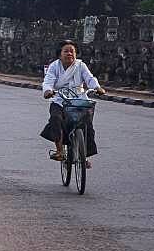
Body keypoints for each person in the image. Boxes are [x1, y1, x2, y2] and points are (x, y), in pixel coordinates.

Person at [41, 39, 106, 167]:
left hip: (79, 99)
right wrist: (48, 91)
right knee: (56, 118)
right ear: (60, 54)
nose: (69, 54)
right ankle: (60, 151)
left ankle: (84, 156)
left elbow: (89, 78)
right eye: (66, 51)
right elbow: (48, 80)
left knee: (87, 124)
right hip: (60, 99)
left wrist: (97, 88)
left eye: (72, 51)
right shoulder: (54, 66)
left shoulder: (81, 66)